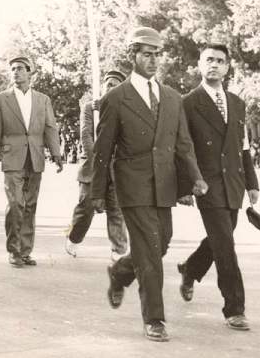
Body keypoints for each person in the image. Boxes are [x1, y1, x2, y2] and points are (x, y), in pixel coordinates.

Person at [90, 27, 207, 343]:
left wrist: (194, 178)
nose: (153, 61)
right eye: (146, 54)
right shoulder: (115, 98)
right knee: (150, 253)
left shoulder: (172, 98)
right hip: (133, 185)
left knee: (161, 243)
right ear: (133, 56)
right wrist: (97, 192)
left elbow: (183, 144)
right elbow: (102, 149)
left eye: (157, 55)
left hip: (165, 184)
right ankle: (154, 319)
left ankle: (120, 273)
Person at [176, 44, 260, 331]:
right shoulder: (188, 103)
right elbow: (182, 148)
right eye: (209, 60)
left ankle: (190, 269)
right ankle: (234, 309)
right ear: (200, 64)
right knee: (225, 245)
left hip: (234, 183)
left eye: (220, 61)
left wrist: (252, 183)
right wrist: (185, 186)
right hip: (206, 184)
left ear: (227, 67)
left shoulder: (237, 103)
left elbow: (243, 147)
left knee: (220, 238)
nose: (214, 64)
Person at [0, 55, 63, 268]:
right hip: (11, 157)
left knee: (30, 205)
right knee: (16, 204)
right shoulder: (1, 99)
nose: (16, 72)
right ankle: (13, 250)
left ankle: (25, 251)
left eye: (20, 68)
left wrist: (56, 154)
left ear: (30, 72)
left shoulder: (42, 99)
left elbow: (50, 127)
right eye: (12, 69)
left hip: (35, 157)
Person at [65, 69, 128, 261]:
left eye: (115, 85)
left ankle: (119, 250)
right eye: (108, 84)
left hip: (116, 168)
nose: (111, 88)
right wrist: (99, 160)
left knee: (117, 209)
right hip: (93, 167)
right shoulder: (90, 108)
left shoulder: (126, 110)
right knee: (86, 208)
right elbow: (86, 135)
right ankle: (73, 238)